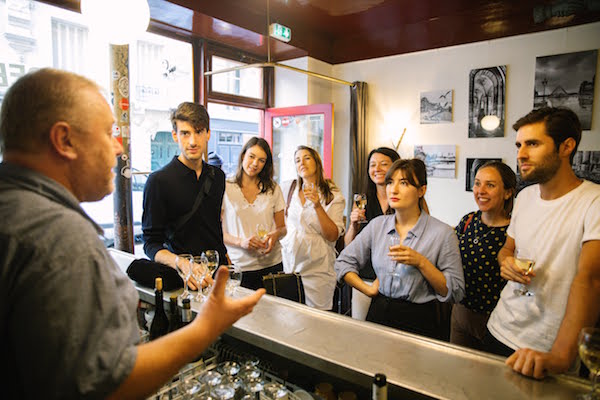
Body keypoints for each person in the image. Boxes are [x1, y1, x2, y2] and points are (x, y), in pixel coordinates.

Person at [0, 68, 265, 399]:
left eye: (198, 132)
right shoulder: (57, 237)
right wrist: (206, 327)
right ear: (64, 140)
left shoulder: (13, 207)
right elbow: (105, 385)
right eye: (108, 132)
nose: (117, 147)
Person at [484, 107, 600, 379]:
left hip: (545, 349)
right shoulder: (524, 197)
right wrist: (506, 263)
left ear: (566, 147)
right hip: (500, 327)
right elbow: (507, 249)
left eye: (533, 144)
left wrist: (561, 355)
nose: (521, 154)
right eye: (519, 145)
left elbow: (591, 279)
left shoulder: (593, 201)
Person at [335, 159, 464, 339]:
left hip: (419, 319)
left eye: (403, 183)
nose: (393, 190)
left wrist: (421, 262)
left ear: (422, 190)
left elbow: (456, 290)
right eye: (390, 182)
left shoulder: (442, 233)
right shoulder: (377, 226)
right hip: (378, 313)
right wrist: (368, 289)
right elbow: (343, 262)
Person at [142, 102, 227, 289]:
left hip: (217, 275)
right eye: (185, 133)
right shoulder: (158, 181)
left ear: (208, 133)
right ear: (175, 136)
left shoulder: (218, 177)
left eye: (198, 132)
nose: (193, 141)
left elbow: (213, 227)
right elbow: (150, 244)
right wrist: (182, 263)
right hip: (183, 279)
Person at [451, 161, 516, 350]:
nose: (481, 190)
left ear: (508, 192)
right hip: (461, 313)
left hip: (497, 319)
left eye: (490, 185)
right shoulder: (468, 220)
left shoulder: (514, 231)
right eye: (477, 183)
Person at [280, 145, 346, 310]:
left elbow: (332, 235)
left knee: (317, 322)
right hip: (291, 265)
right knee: (291, 316)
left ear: (317, 162)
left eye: (306, 158)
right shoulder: (289, 188)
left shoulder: (333, 195)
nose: (301, 162)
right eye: (297, 160)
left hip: (318, 268)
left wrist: (317, 206)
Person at [222, 137, 287, 290]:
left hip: (272, 264)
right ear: (243, 155)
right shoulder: (226, 187)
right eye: (251, 156)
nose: (255, 163)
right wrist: (241, 242)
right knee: (242, 313)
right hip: (240, 267)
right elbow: (217, 231)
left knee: (273, 313)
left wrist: (275, 235)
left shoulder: (273, 188)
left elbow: (283, 228)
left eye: (261, 160)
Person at [344, 147, 399, 320]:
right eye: (373, 165)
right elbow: (348, 244)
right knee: (362, 330)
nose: (377, 169)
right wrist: (353, 224)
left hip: (397, 276)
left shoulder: (405, 197)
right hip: (366, 277)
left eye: (384, 164)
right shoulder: (362, 200)